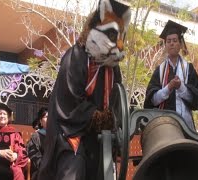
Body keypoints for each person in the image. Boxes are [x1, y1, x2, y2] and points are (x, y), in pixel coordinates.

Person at [37, 0, 131, 179]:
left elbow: (117, 102)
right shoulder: (76, 56)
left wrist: (116, 121)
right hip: (71, 134)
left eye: (121, 37)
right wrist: (100, 118)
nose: (119, 45)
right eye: (112, 35)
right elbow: (70, 103)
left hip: (99, 140)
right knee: (73, 171)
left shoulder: (113, 68)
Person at [144, 20, 198, 131]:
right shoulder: (159, 71)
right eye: (168, 41)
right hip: (164, 127)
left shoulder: (189, 69)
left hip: (186, 127)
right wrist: (169, 87)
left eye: (175, 40)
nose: (171, 43)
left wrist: (181, 87)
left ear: (180, 44)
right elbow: (152, 101)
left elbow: (196, 99)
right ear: (165, 45)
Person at [26, 107, 48, 180]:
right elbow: (34, 156)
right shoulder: (36, 136)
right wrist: (45, 166)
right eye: (46, 117)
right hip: (42, 170)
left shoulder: (58, 136)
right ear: (41, 121)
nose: (49, 119)